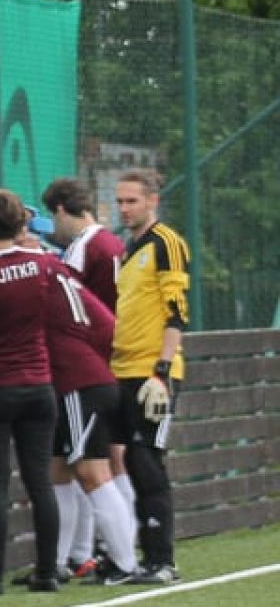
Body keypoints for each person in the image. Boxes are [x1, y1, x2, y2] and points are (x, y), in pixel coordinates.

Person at [0, 191, 62, 595]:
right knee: (40, 480)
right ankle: (48, 572)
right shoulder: (45, 266)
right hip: (40, 383)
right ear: (22, 224)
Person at [37, 237, 141, 586]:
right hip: (89, 380)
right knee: (59, 470)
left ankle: (125, 562)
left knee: (92, 471)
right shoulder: (61, 272)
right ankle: (56, 563)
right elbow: (108, 325)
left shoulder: (37, 273)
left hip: (78, 385)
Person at [109, 169, 188, 584]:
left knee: (146, 459)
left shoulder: (166, 244)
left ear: (152, 201)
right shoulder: (128, 249)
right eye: (119, 201)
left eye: (132, 201)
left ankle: (163, 561)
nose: (124, 208)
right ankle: (141, 557)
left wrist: (161, 370)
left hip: (151, 372)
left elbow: (177, 312)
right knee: (128, 462)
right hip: (121, 369)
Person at [41, 177, 124, 312]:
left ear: (60, 211)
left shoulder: (83, 247)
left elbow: (66, 299)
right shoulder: (114, 241)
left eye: (53, 217)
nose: (54, 226)